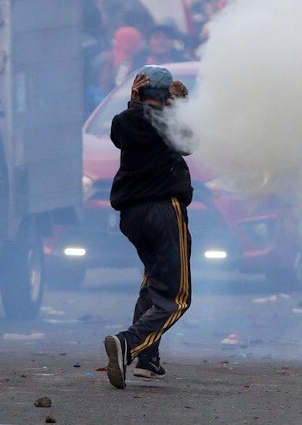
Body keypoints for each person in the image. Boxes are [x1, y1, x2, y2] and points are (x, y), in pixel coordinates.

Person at [103, 65, 194, 389]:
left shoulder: (125, 121)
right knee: (177, 297)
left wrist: (135, 104)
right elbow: (189, 143)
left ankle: (147, 359)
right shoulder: (170, 121)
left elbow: (126, 131)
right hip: (163, 211)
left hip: (132, 216)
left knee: (153, 282)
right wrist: (176, 105)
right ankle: (129, 343)